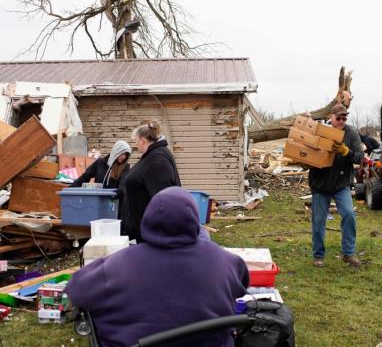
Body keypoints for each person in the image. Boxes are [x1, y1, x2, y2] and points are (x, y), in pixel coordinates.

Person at [65, 187, 249, 347]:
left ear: (148, 219)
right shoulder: (225, 261)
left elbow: (76, 290)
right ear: (194, 219)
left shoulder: (118, 265)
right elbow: (242, 283)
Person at [309, 104, 364, 268]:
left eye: (344, 118)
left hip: (341, 184)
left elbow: (360, 158)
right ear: (330, 117)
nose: (341, 121)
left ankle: (348, 253)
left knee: (348, 214)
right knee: (318, 221)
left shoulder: (351, 133)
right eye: (338, 118)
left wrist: (347, 152)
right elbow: (307, 152)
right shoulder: (320, 131)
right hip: (320, 183)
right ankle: (318, 256)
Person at [121, 121, 181, 242]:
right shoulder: (152, 155)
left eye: (136, 142)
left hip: (150, 232)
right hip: (143, 229)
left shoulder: (158, 159)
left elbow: (164, 199)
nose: (136, 145)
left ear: (143, 141)